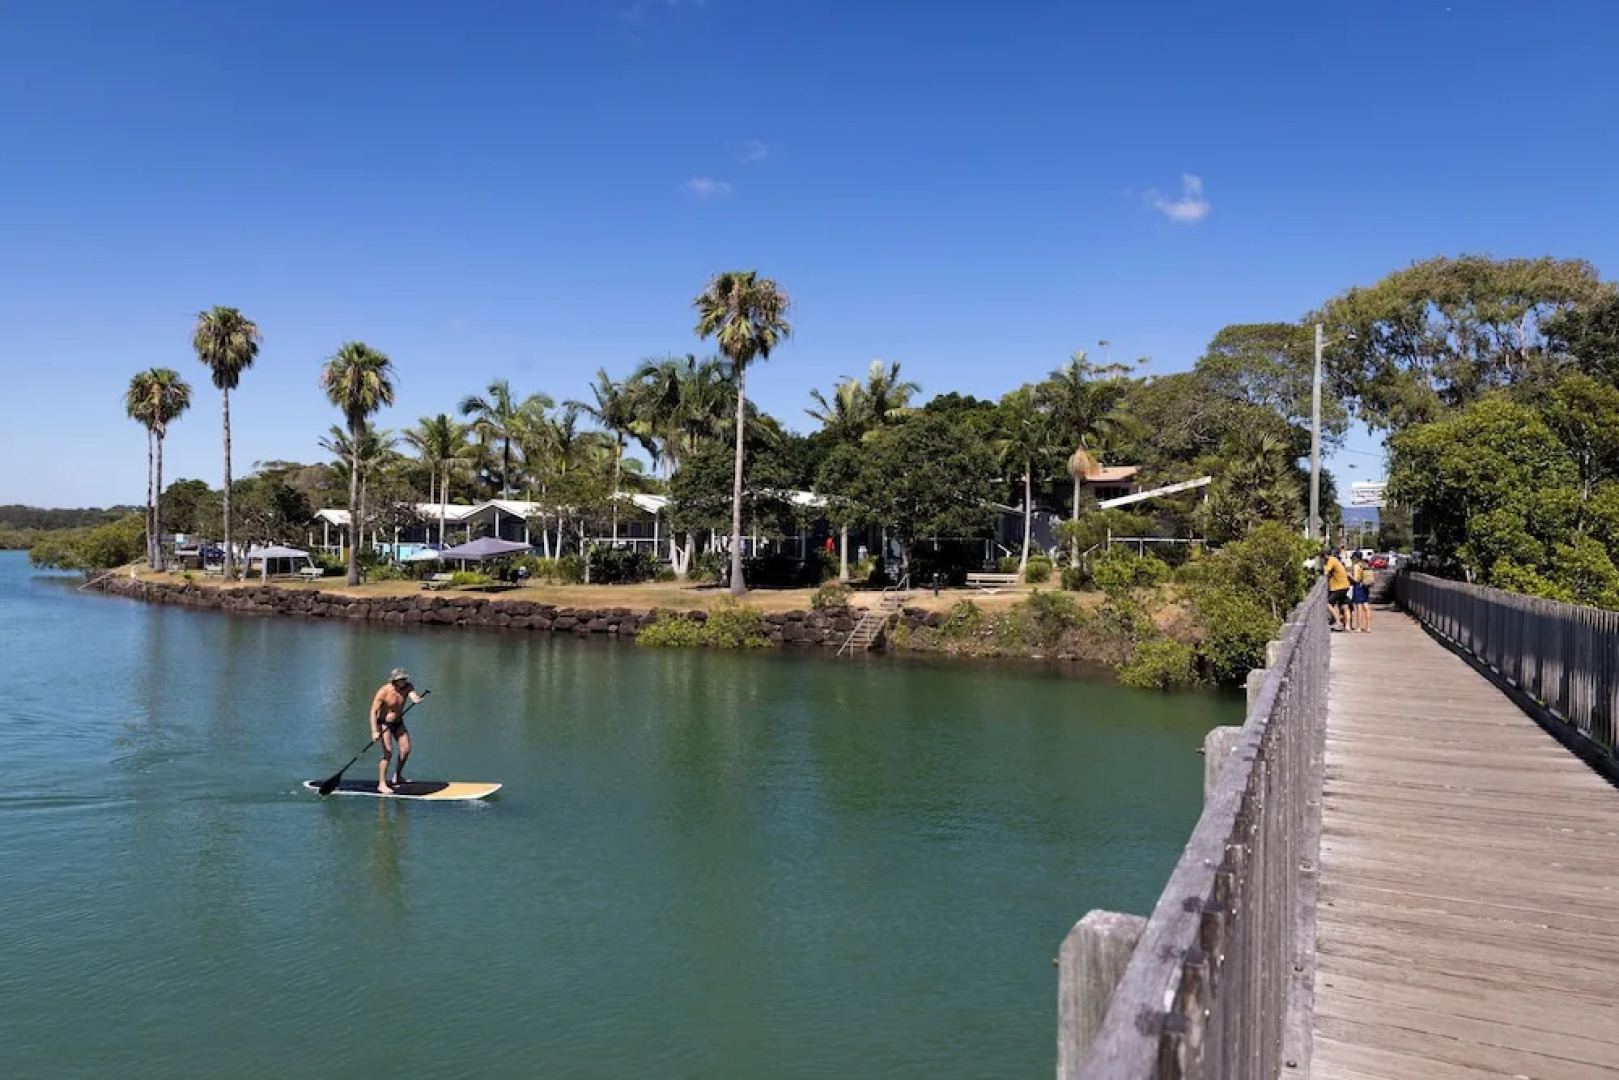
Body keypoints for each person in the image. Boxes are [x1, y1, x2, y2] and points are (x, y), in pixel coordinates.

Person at [370, 667, 424, 792]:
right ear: (394, 680)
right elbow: (373, 711)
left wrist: (416, 699)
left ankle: (397, 776)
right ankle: (382, 784)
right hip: (384, 724)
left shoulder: (408, 687)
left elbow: (413, 695)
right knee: (388, 752)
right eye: (400, 679)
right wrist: (374, 731)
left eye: (404, 678)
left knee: (406, 749)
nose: (403, 681)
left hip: (398, 722)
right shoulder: (384, 691)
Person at [1322, 548, 1351, 631]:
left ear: (1325, 556)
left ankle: (1338, 622)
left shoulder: (1331, 560)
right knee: (1345, 606)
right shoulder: (1336, 560)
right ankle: (1347, 626)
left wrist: (1324, 567)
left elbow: (1326, 572)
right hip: (1345, 585)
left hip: (1339, 587)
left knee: (1328, 604)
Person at [1350, 552, 1372, 633]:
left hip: (1358, 587)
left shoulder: (1356, 566)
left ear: (1355, 557)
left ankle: (1359, 627)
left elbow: (1356, 579)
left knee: (1359, 607)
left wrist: (1349, 576)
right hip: (1365, 586)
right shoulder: (1364, 564)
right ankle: (1368, 627)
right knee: (1366, 606)